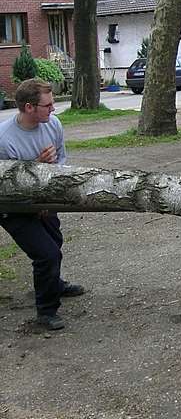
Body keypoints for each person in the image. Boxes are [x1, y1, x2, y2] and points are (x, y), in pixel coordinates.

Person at [0, 78, 84, 331]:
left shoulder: (53, 124)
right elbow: (9, 184)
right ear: (28, 107)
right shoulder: (5, 139)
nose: (53, 109)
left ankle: (54, 284)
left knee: (55, 242)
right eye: (47, 105)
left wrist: (49, 197)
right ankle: (46, 311)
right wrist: (37, 166)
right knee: (46, 254)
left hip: (45, 198)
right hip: (13, 207)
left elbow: (62, 162)